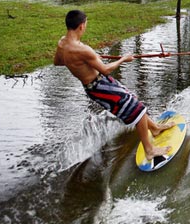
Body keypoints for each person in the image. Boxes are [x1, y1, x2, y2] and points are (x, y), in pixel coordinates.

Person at [54, 10, 173, 160]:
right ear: (81, 26)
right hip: (100, 87)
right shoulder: (83, 50)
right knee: (138, 110)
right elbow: (105, 70)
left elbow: (57, 62)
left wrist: (82, 61)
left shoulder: (62, 44)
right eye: (86, 24)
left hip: (95, 86)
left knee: (133, 101)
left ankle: (154, 128)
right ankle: (149, 150)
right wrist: (123, 59)